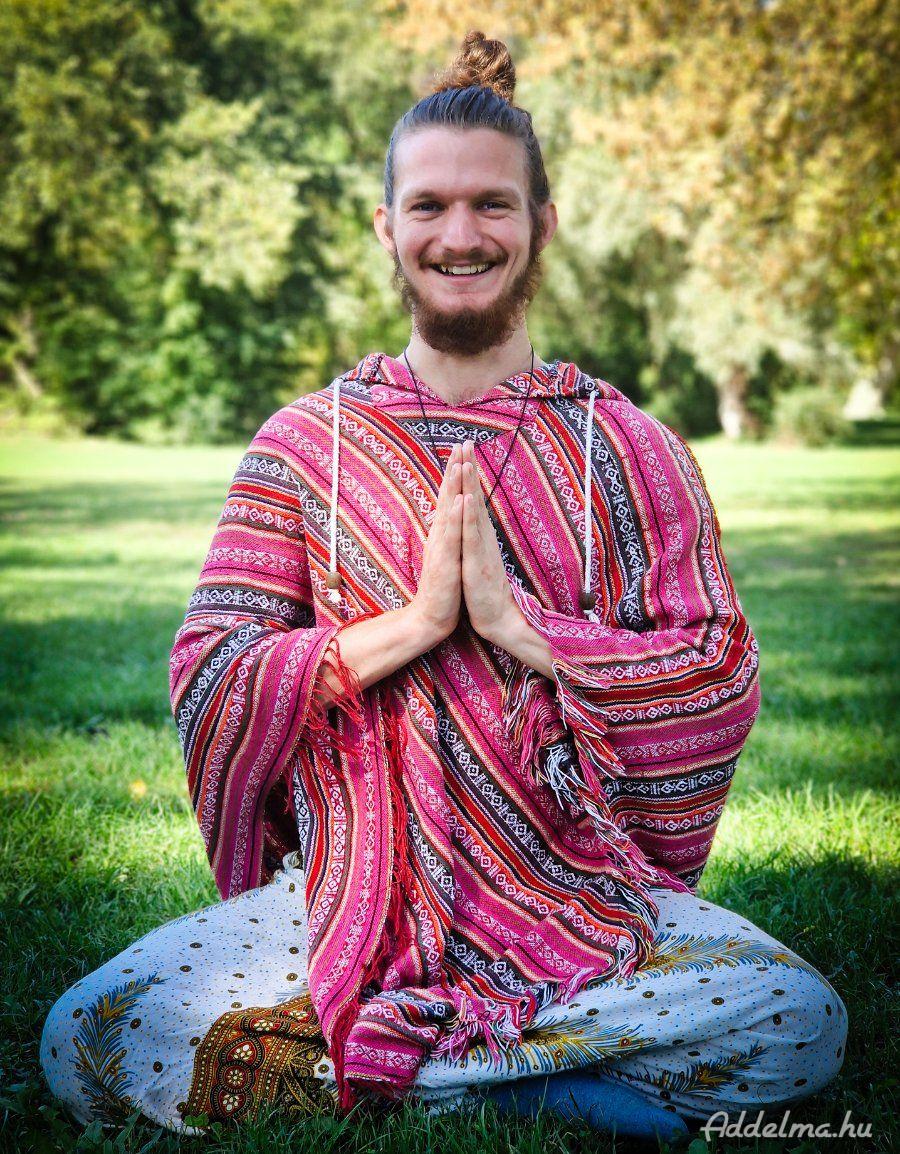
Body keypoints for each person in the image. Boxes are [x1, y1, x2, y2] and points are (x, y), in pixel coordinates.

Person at [40, 30, 847, 1144]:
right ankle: (542, 1084)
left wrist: (527, 632)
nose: (460, 236)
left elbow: (716, 673)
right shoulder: (304, 447)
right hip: (341, 904)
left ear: (543, 223)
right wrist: (414, 625)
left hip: (585, 906)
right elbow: (214, 672)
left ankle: (384, 1071)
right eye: (428, 206)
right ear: (387, 226)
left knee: (800, 1020)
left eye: (492, 205)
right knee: (87, 1034)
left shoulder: (630, 449)